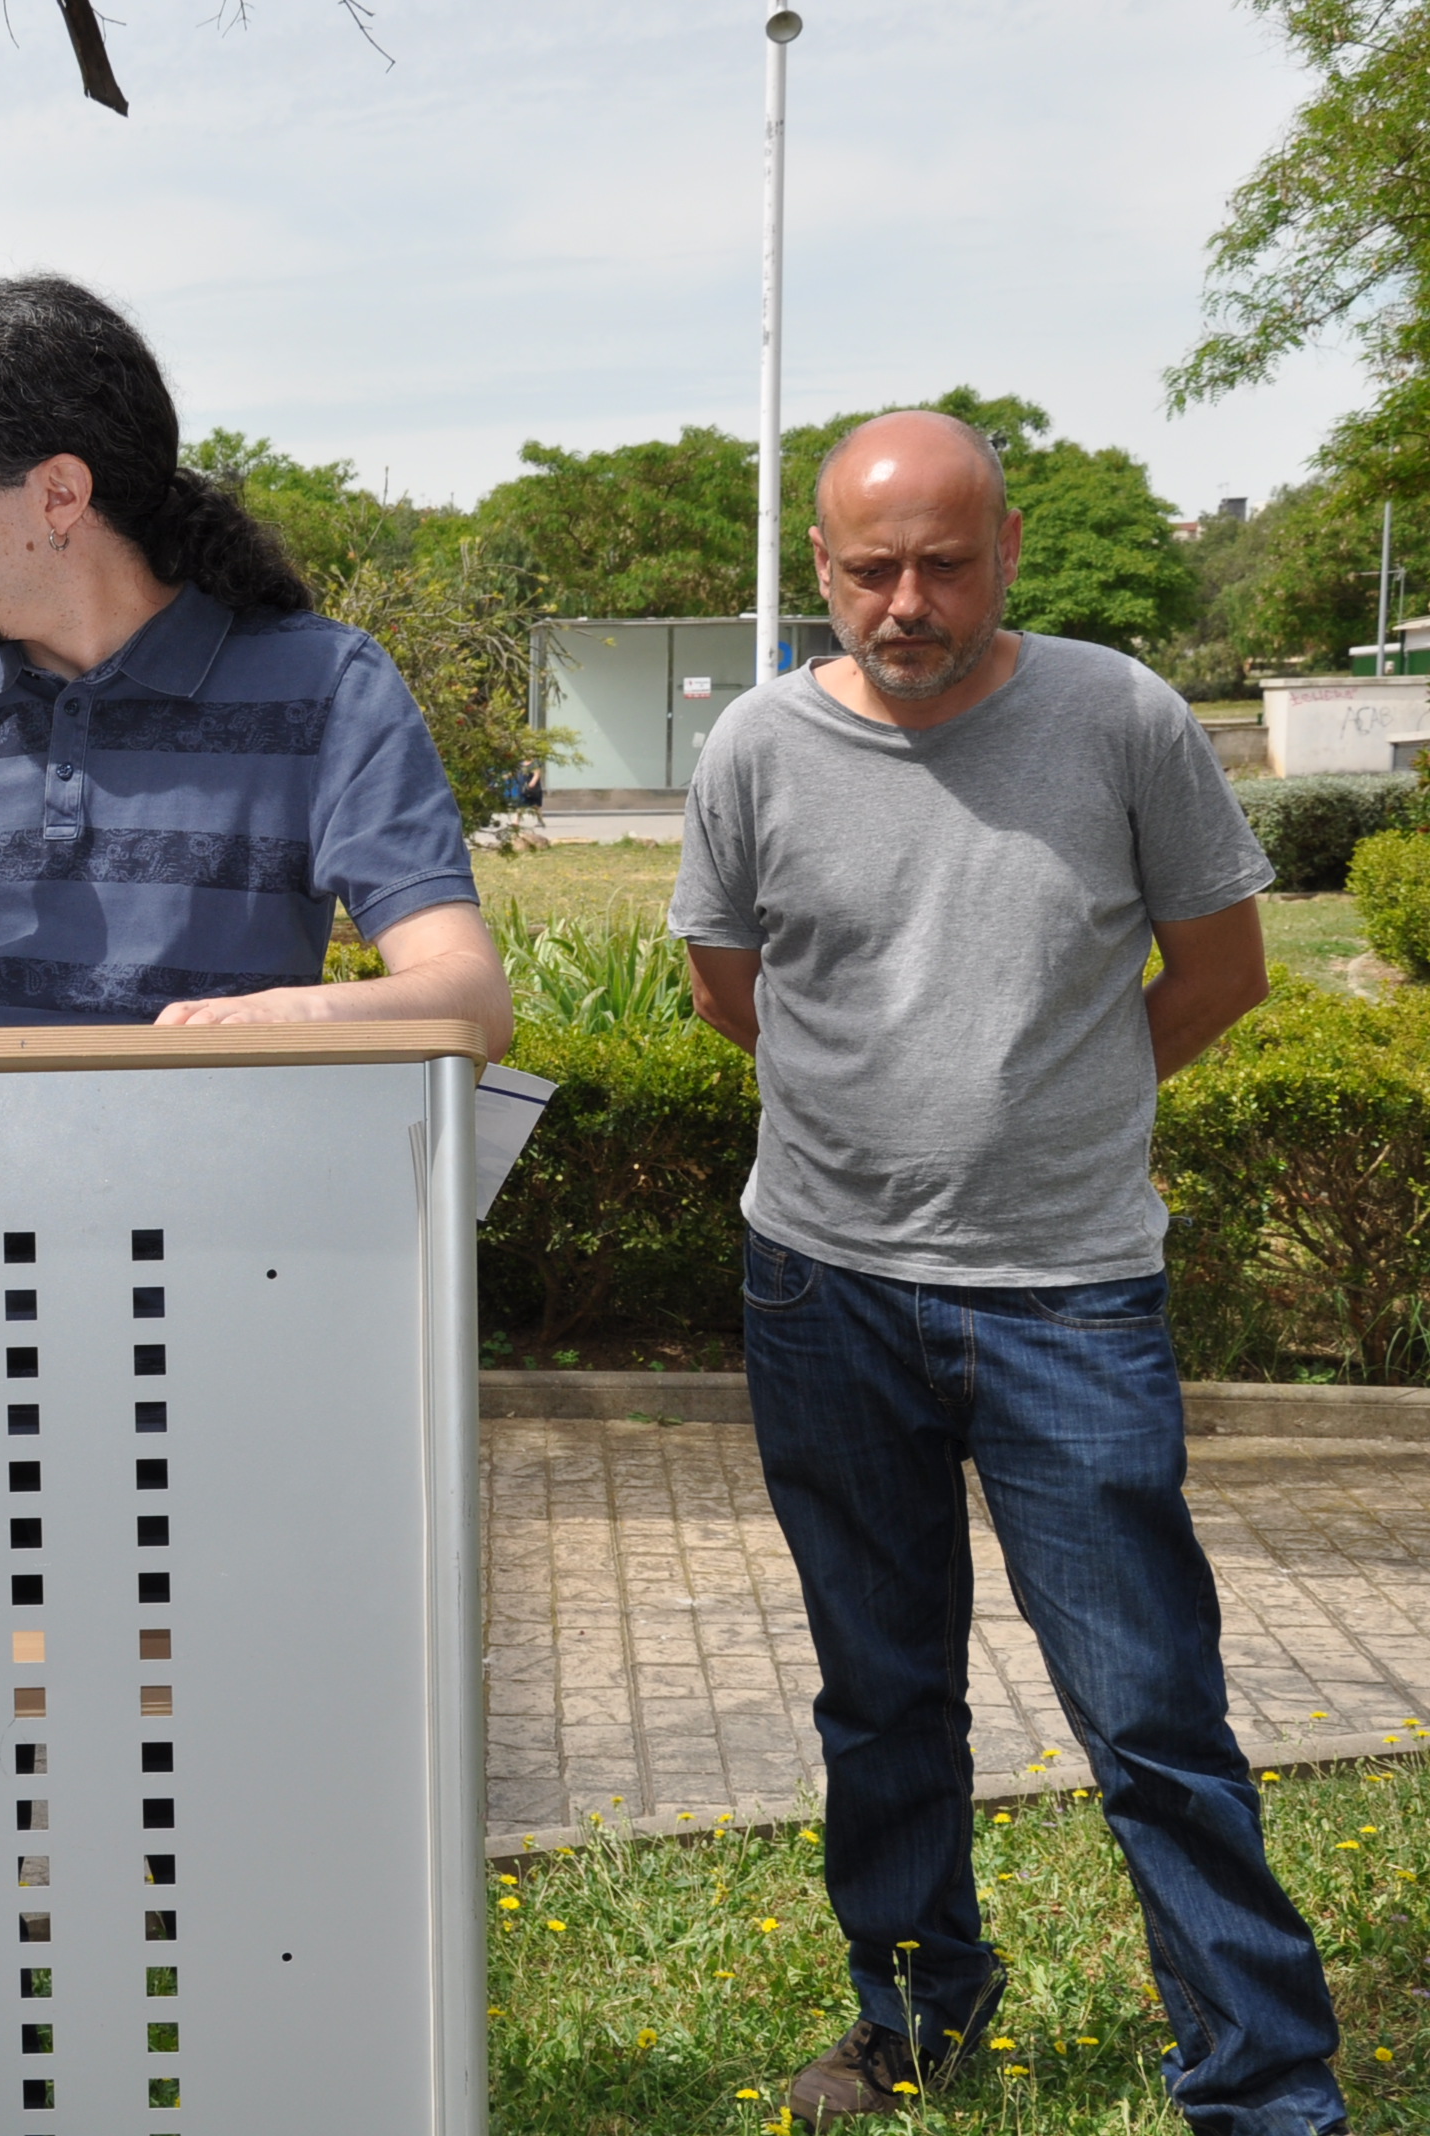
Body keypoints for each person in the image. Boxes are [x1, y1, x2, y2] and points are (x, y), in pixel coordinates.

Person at [670, 412, 1338, 2133]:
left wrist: (1055, 1101)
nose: (907, 602)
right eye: (870, 569)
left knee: (1150, 1707)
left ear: (1009, 551)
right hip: (822, 1292)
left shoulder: (1121, 719)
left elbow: (1221, 969)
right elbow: (733, 990)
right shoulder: (755, 746)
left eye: (944, 565)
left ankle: (1264, 2087)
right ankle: (914, 2017)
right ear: (822, 569)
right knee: (882, 1695)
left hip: (1070, 1297)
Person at [0, 275, 510, 1044]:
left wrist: (290, 1018)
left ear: (59, 494)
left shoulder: (328, 685)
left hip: (226, 1128)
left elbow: (476, 1000)